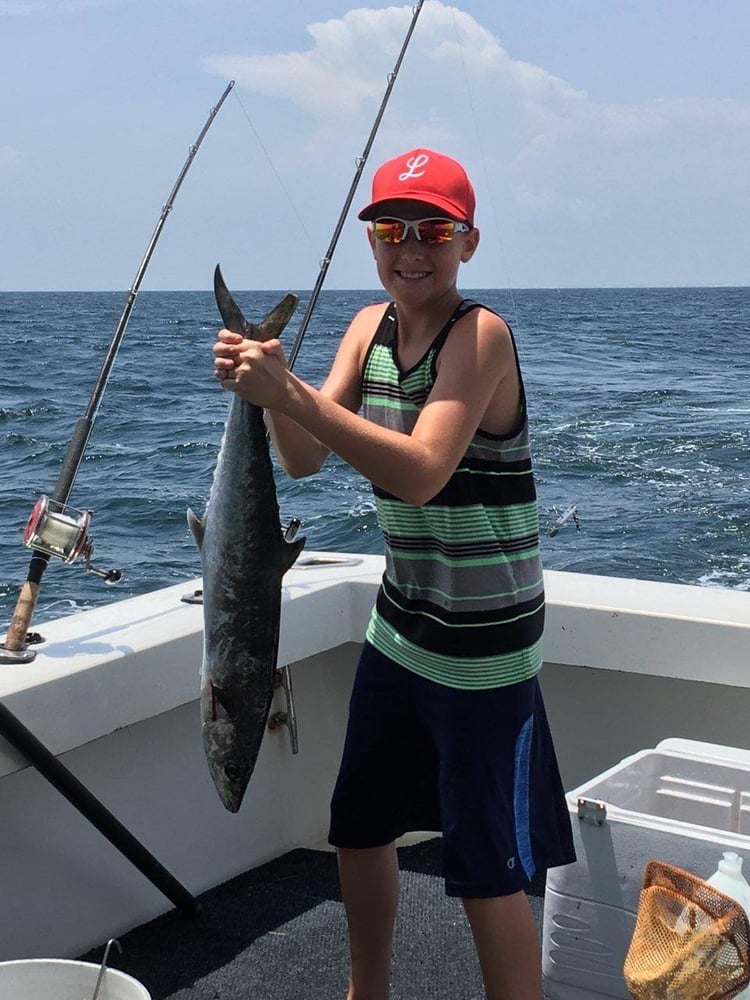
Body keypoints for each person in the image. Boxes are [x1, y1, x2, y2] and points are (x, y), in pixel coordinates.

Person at [213, 147, 575, 1000]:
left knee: (486, 865)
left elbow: (421, 469)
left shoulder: (480, 335)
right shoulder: (364, 330)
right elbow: (300, 456)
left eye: (434, 230)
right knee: (360, 825)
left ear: (468, 243)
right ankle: (364, 991)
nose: (411, 247)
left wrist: (290, 394)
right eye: (391, 228)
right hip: (401, 623)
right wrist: (262, 389)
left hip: (485, 646)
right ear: (371, 241)